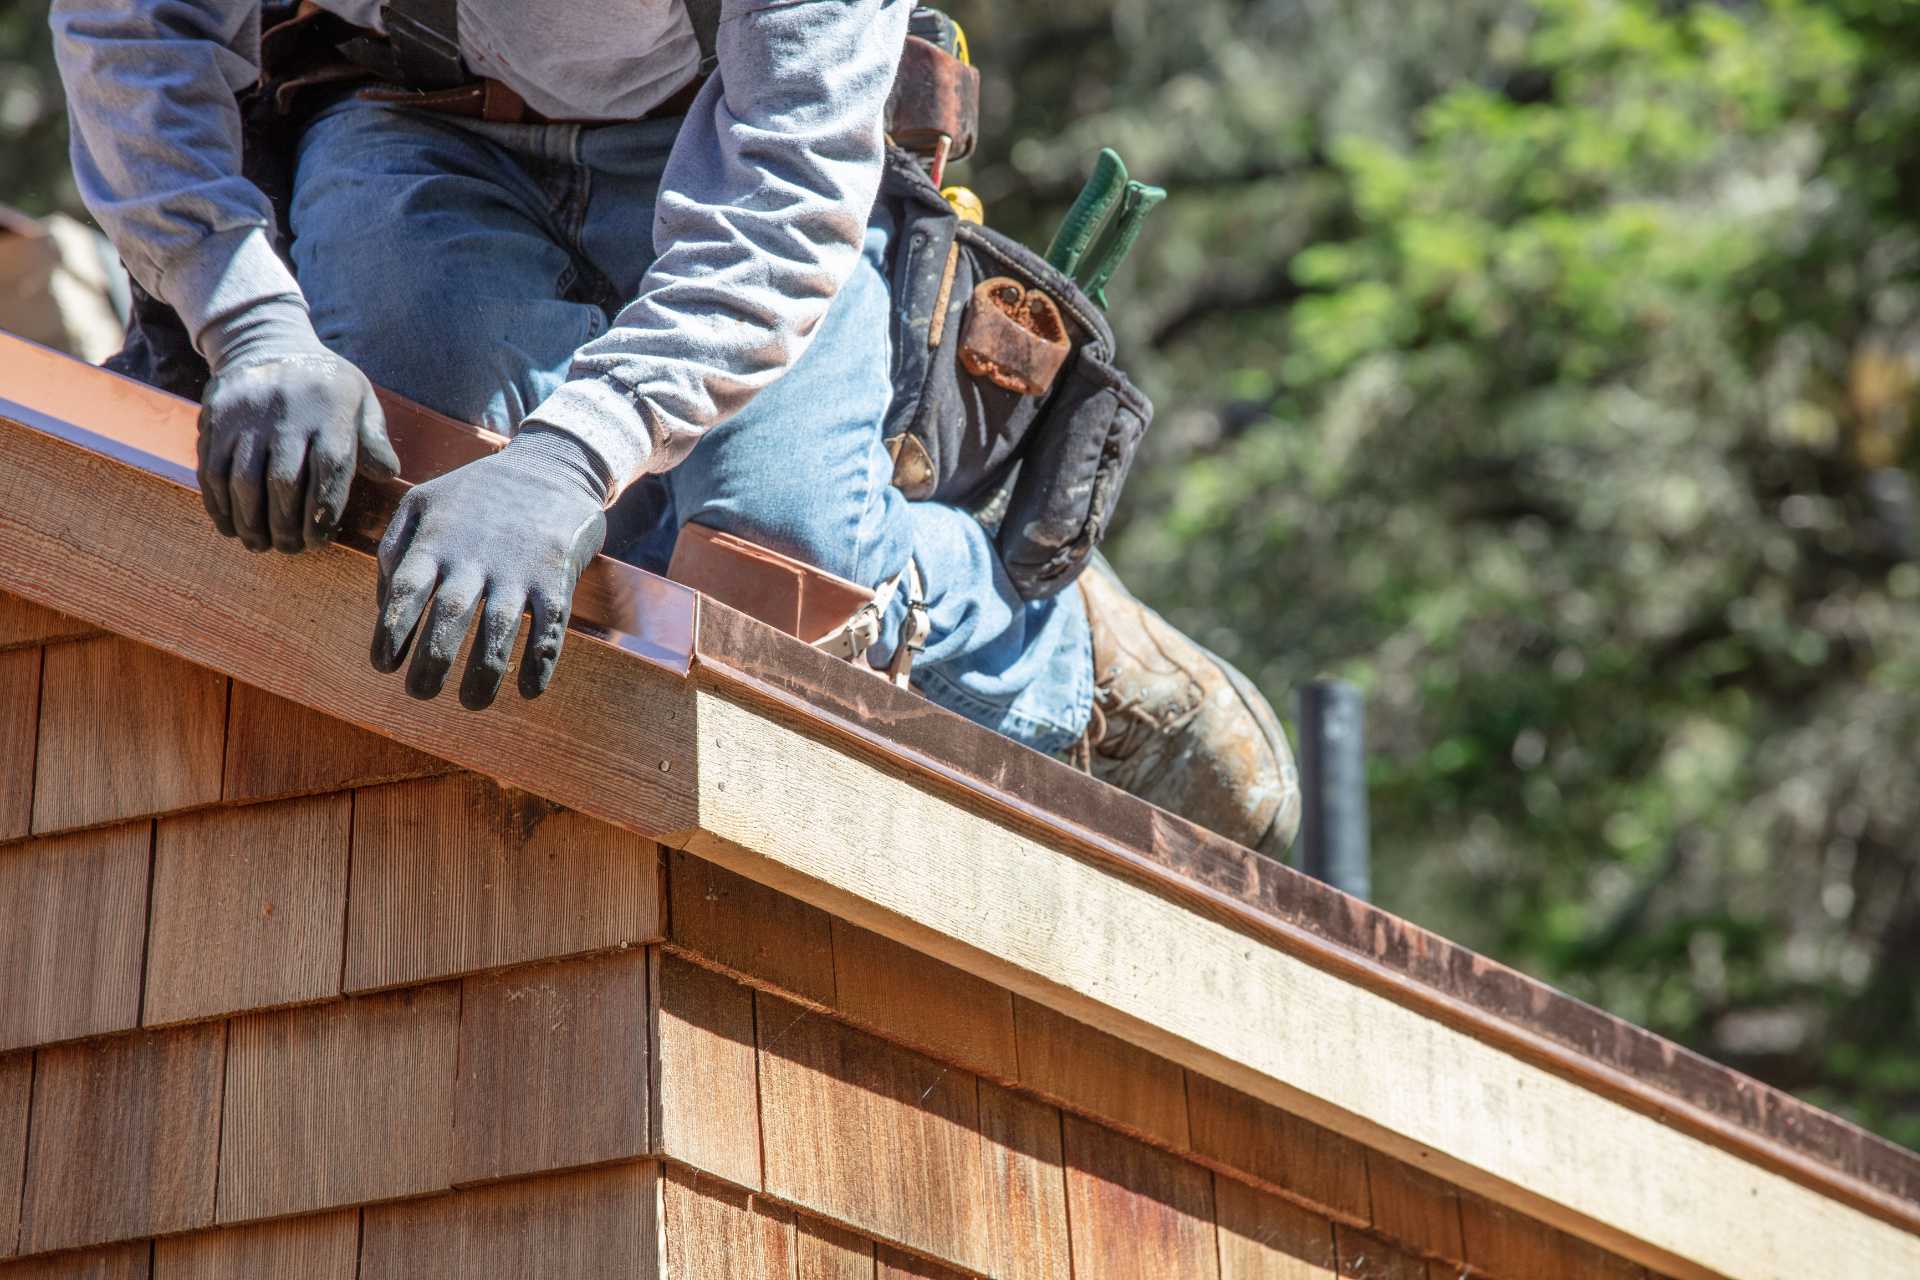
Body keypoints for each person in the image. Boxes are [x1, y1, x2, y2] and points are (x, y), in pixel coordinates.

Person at [51, 0, 1301, 856]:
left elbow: (785, 195)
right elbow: (130, 32)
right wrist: (250, 319)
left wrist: (569, 457)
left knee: (767, 583)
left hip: (729, 142)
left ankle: (1056, 654)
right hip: (410, 125)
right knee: (411, 490)